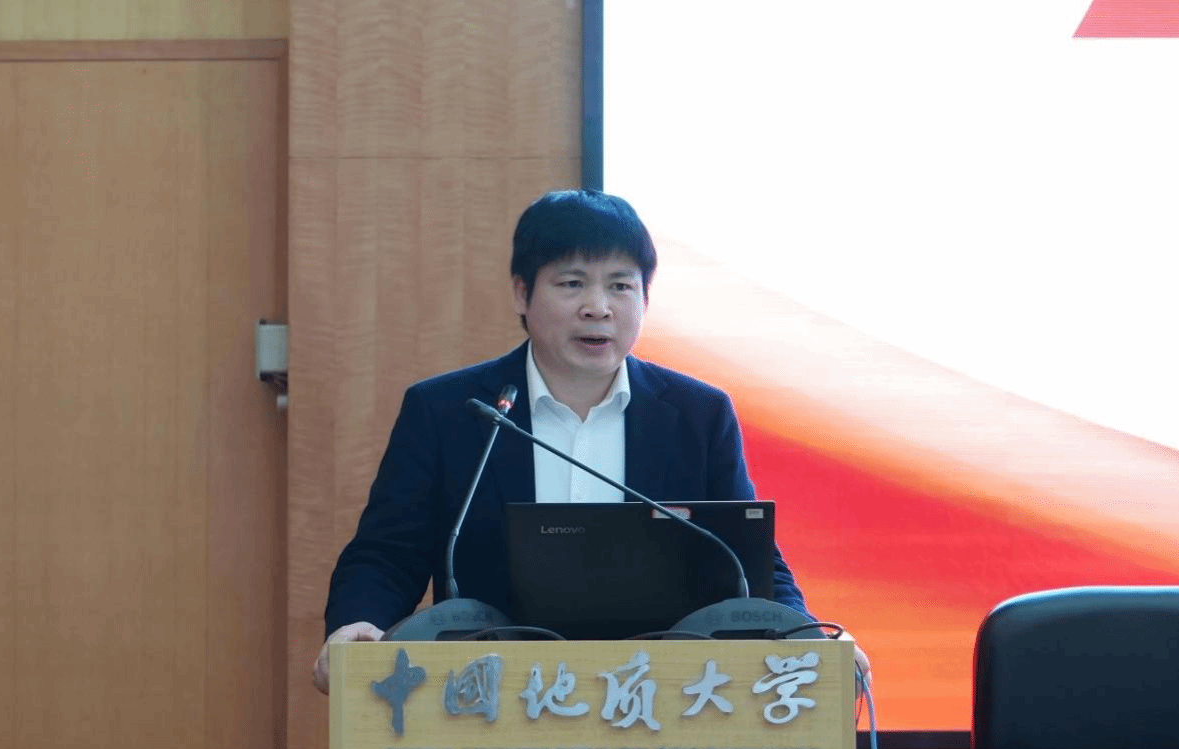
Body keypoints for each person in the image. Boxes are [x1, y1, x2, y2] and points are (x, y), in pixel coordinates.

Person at [313, 189, 868, 693]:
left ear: (645, 298)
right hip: (488, 700)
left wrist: (806, 637)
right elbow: (388, 554)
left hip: (663, 701)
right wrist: (356, 622)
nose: (598, 307)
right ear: (522, 293)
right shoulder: (450, 412)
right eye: (572, 283)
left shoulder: (697, 415)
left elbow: (746, 560)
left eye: (620, 285)